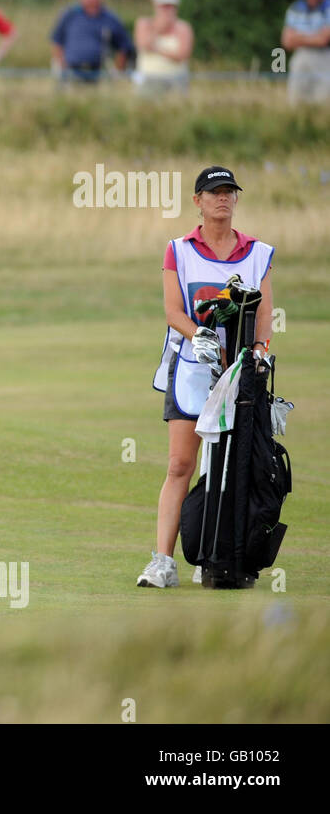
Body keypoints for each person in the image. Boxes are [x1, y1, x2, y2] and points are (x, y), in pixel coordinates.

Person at [141, 167, 274, 589]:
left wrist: (259, 354)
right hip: (191, 369)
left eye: (229, 192)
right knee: (181, 464)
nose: (223, 199)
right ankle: (162, 561)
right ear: (197, 200)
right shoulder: (178, 250)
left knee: (230, 466)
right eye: (214, 192)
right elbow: (173, 310)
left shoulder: (257, 253)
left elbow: (264, 317)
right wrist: (197, 334)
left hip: (239, 375)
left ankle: (215, 554)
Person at [50, 0, 132, 84]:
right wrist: (62, 66)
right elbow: (57, 41)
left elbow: (124, 47)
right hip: (71, 72)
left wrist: (117, 73)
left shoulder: (111, 18)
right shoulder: (69, 14)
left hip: (100, 74)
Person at [281, 0, 330, 105]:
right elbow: (287, 41)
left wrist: (299, 36)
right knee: (297, 102)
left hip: (325, 59)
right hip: (301, 59)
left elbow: (323, 40)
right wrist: (315, 35)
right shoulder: (295, 8)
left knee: (323, 102)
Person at [133, 0, 192, 96]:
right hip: (149, 80)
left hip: (177, 81)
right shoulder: (144, 23)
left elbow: (182, 55)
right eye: (163, 5)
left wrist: (156, 49)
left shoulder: (184, 27)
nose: (167, 9)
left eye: (170, 6)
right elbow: (143, 45)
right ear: (155, 5)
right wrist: (158, 29)